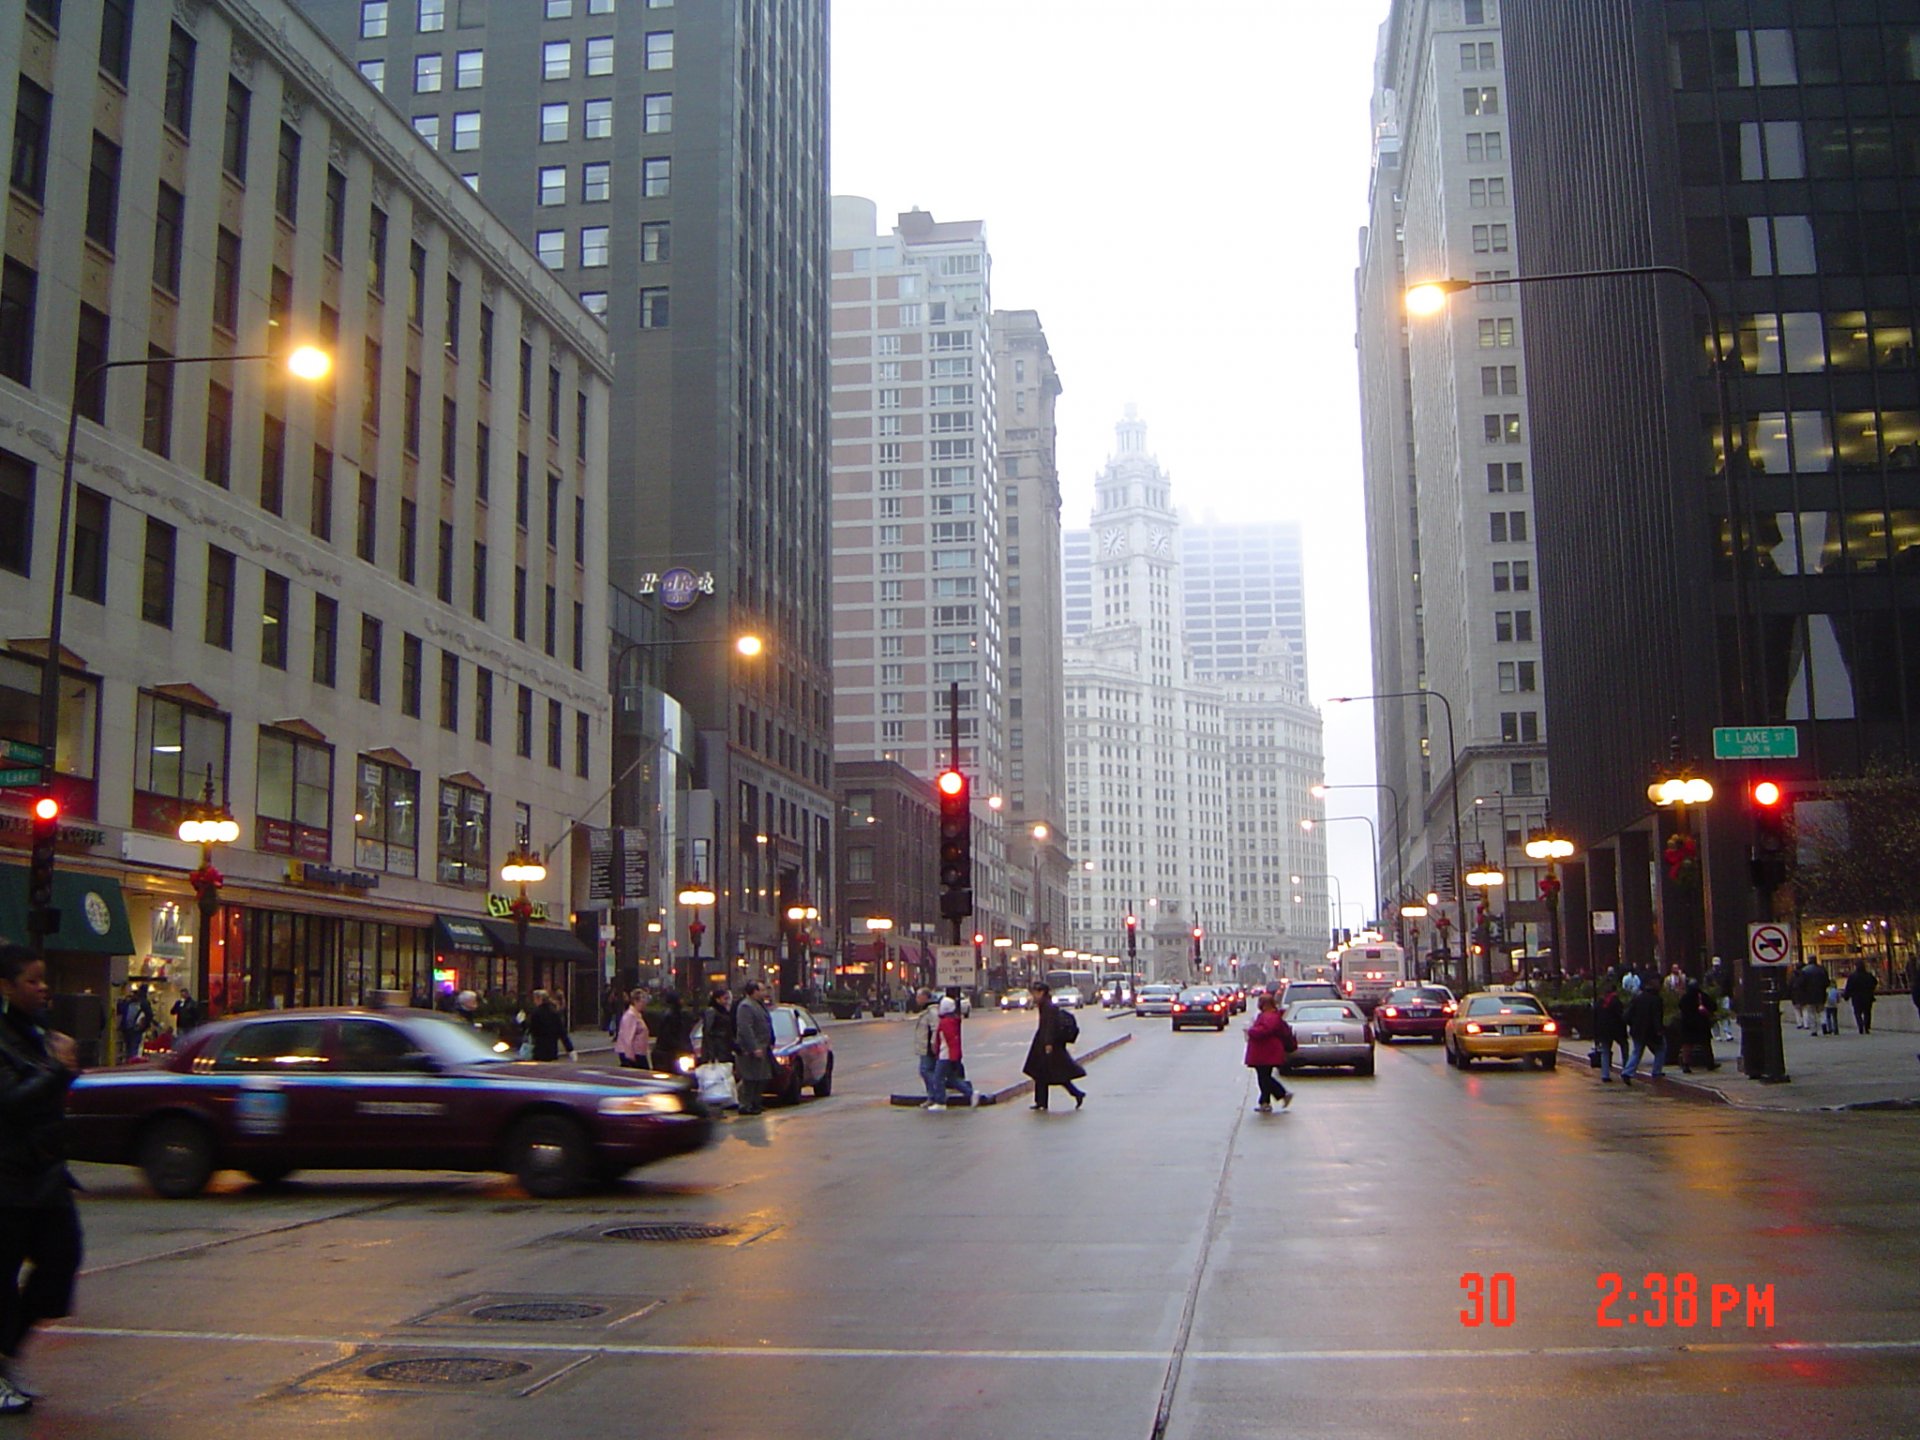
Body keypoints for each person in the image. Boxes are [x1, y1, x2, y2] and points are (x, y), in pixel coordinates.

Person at [0, 945, 84, 1414]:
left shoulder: (39, 1034)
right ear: (7, 987)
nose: (43, 987)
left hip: (45, 1176)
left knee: (61, 1257)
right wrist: (58, 1071)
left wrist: (64, 1066)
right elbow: (12, 1101)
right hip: (8, 1177)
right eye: (32, 981)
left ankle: (7, 1352)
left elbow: (49, 1092)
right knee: (4, 1275)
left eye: (44, 979)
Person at [1022, 983, 1086, 1111]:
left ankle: (1076, 1094)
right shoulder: (1044, 1005)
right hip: (1045, 1043)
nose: (1033, 996)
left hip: (1048, 1045)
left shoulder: (1048, 1007)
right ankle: (1041, 1101)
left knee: (1054, 1074)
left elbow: (1049, 1027)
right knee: (1042, 1074)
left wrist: (1048, 1044)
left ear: (1041, 993)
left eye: (1035, 993)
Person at [1242, 992, 1294, 1112]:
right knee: (1264, 1077)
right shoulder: (1270, 1015)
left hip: (1266, 1052)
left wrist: (1251, 1031)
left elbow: (1264, 1030)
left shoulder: (1270, 1016)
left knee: (1264, 1078)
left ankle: (1281, 1095)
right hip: (1265, 1051)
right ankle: (1265, 1101)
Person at [732, 982, 773, 1115]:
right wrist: (753, 1047)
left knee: (760, 1077)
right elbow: (745, 1028)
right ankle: (746, 1104)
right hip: (750, 1050)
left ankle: (756, 1103)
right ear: (754, 991)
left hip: (763, 1046)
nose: (764, 993)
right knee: (750, 1079)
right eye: (761, 990)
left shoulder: (759, 1005)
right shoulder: (746, 1006)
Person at [930, 997, 974, 1110]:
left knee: (938, 1077)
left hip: (945, 1055)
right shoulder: (951, 1021)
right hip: (948, 1054)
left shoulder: (946, 1022)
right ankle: (970, 1093)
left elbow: (950, 1041)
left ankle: (940, 1102)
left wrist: (951, 1056)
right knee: (951, 1079)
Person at [1621, 980, 1666, 1085]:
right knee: (1661, 1049)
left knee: (1637, 1052)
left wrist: (1632, 1024)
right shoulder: (1657, 1000)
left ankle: (1627, 1072)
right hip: (1651, 1031)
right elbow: (1657, 1017)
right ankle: (1656, 1071)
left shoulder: (1637, 998)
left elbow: (1627, 1015)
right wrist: (1659, 1029)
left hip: (1637, 1030)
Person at [1677, 979, 1718, 1073]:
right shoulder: (1702, 996)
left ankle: (1686, 1065)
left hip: (1688, 1025)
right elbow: (1713, 1006)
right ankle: (1710, 1064)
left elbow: (1680, 1007)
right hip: (1701, 1024)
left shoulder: (1685, 998)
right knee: (1706, 1044)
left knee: (1687, 1046)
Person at [909, 989, 941, 1107]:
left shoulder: (932, 1011)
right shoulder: (926, 1011)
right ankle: (933, 1096)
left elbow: (935, 1028)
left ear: (925, 997)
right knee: (927, 1071)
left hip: (928, 1047)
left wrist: (933, 1043)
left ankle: (935, 1095)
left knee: (925, 1070)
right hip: (925, 1046)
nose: (916, 999)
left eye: (919, 996)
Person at [524, 989, 574, 1062]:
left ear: (539, 999)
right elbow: (562, 1032)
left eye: (535, 999)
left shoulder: (536, 1013)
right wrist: (570, 1049)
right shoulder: (554, 1012)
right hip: (552, 1048)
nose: (534, 1001)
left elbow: (532, 1030)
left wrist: (522, 1023)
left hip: (539, 1048)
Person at [1593, 984, 1629, 1083]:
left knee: (1605, 1051)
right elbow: (1621, 1016)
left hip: (1603, 1030)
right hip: (1617, 1030)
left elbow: (1595, 1017)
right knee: (1624, 1047)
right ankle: (1626, 1070)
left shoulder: (1599, 1002)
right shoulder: (1616, 1002)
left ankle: (1605, 1074)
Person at [650, 991, 689, 1073]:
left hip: (667, 1052)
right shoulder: (671, 1016)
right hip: (668, 1053)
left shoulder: (673, 1014)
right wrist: (681, 1046)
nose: (682, 1001)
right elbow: (668, 1035)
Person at [614, 991, 652, 1069]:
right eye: (642, 1001)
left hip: (638, 1052)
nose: (645, 1004)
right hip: (633, 1053)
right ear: (635, 1001)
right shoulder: (630, 1015)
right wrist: (630, 1056)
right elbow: (627, 1037)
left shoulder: (637, 1015)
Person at [700, 988, 736, 1068]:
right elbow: (708, 1032)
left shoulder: (723, 1011)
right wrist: (711, 1054)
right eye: (724, 998)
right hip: (718, 1049)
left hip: (724, 1048)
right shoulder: (712, 1011)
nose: (727, 1001)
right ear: (717, 999)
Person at [1842, 960, 1877, 1034]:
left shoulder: (1852, 976)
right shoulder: (1868, 975)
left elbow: (1849, 987)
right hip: (1867, 997)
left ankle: (1860, 1026)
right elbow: (1875, 982)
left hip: (1856, 997)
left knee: (1857, 1013)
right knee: (1867, 1012)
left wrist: (1846, 996)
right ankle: (1866, 1027)